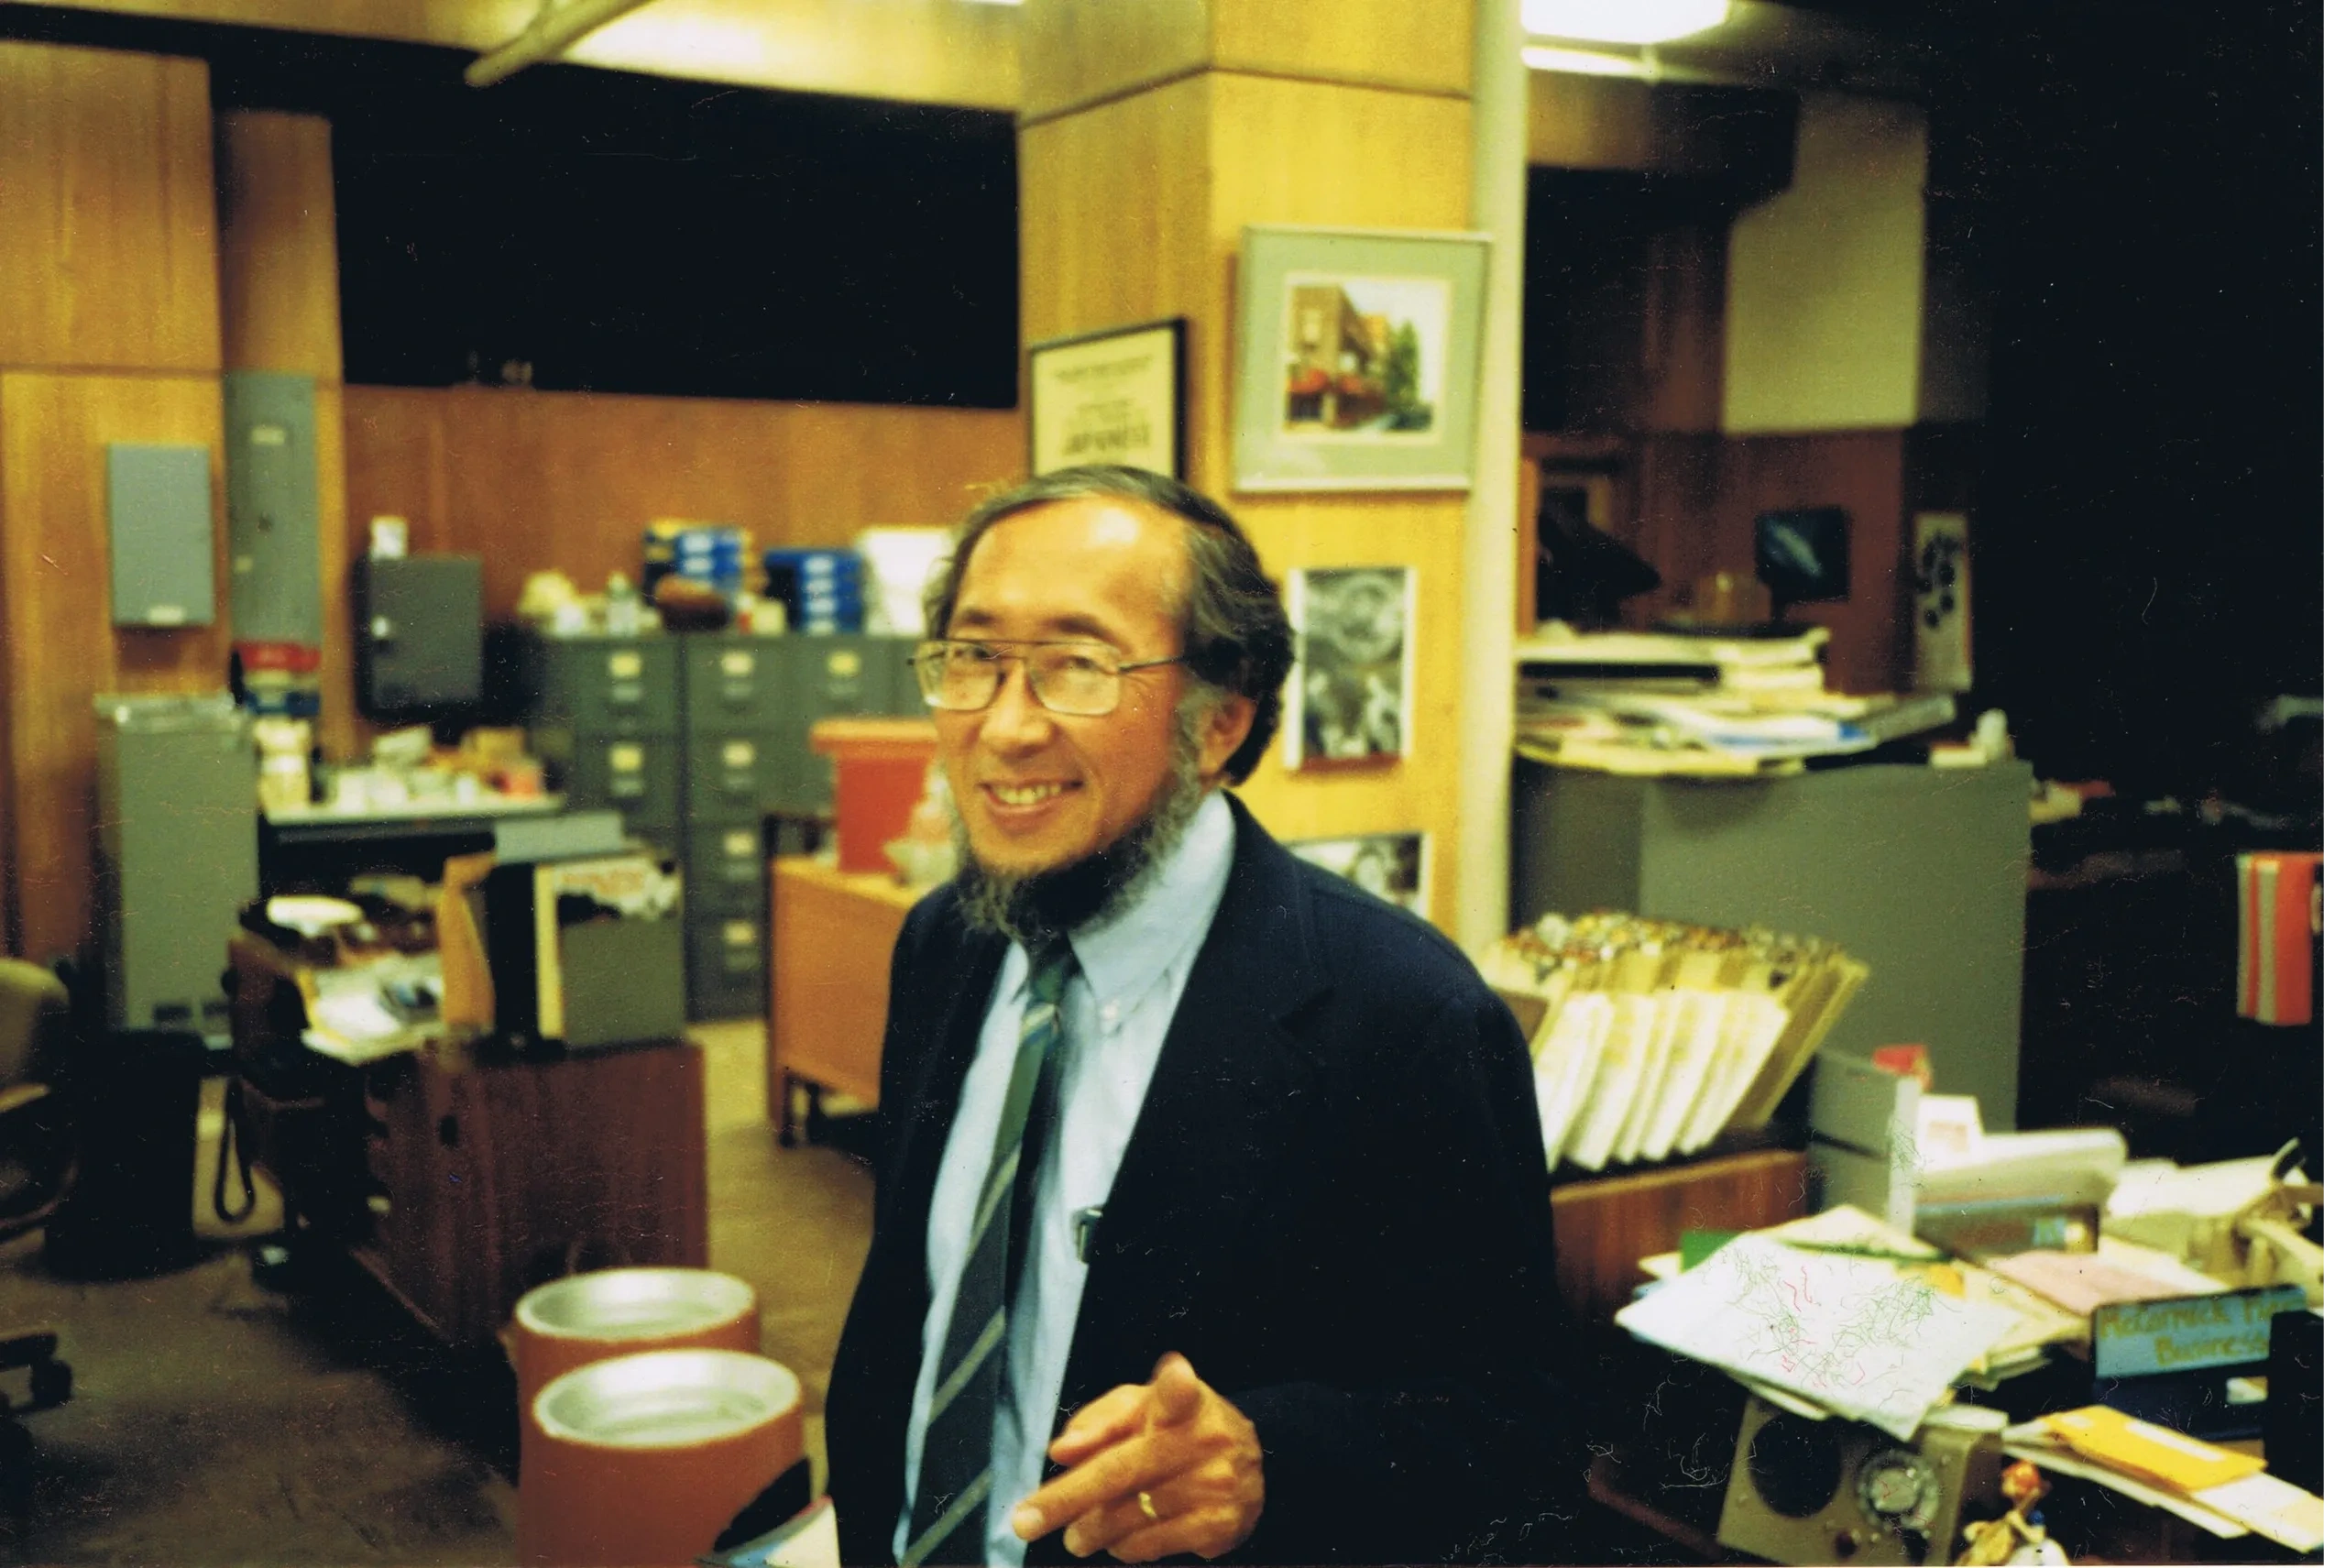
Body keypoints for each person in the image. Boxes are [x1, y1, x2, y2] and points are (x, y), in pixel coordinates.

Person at [826, 466, 1573, 1565]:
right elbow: (918, 1308)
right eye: (973, 659)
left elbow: (1511, 1441)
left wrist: (1273, 1461)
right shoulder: (946, 942)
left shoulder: (1401, 1019)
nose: (1004, 725)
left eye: (1075, 666)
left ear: (1220, 720)